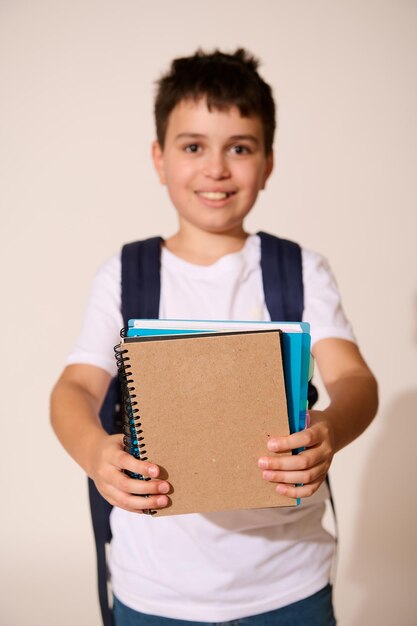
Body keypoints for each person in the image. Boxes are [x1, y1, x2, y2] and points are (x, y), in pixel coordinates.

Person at [50, 48, 378, 626]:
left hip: (288, 582)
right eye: (193, 146)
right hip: (153, 588)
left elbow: (353, 379)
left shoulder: (298, 270)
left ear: (268, 163)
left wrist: (329, 427)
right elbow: (74, 387)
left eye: (241, 148)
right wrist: (95, 453)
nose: (216, 169)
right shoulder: (124, 277)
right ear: (159, 158)